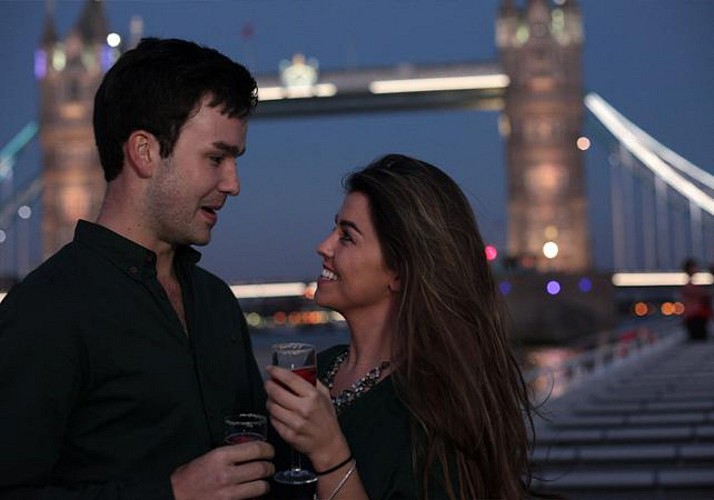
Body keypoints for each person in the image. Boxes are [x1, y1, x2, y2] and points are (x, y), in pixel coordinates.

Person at [0, 38, 275, 499]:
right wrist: (171, 494)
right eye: (216, 158)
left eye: (234, 161)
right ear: (144, 152)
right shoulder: (45, 311)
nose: (233, 183)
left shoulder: (217, 303)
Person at [265, 154, 534, 499]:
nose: (323, 246)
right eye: (334, 228)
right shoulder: (317, 369)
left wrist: (329, 451)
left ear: (399, 271)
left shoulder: (438, 403)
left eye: (347, 236)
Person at [680, 258, 712, 341]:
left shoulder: (689, 286)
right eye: (694, 267)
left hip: (696, 316)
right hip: (695, 317)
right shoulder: (689, 286)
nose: (697, 269)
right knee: (699, 338)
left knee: (698, 338)